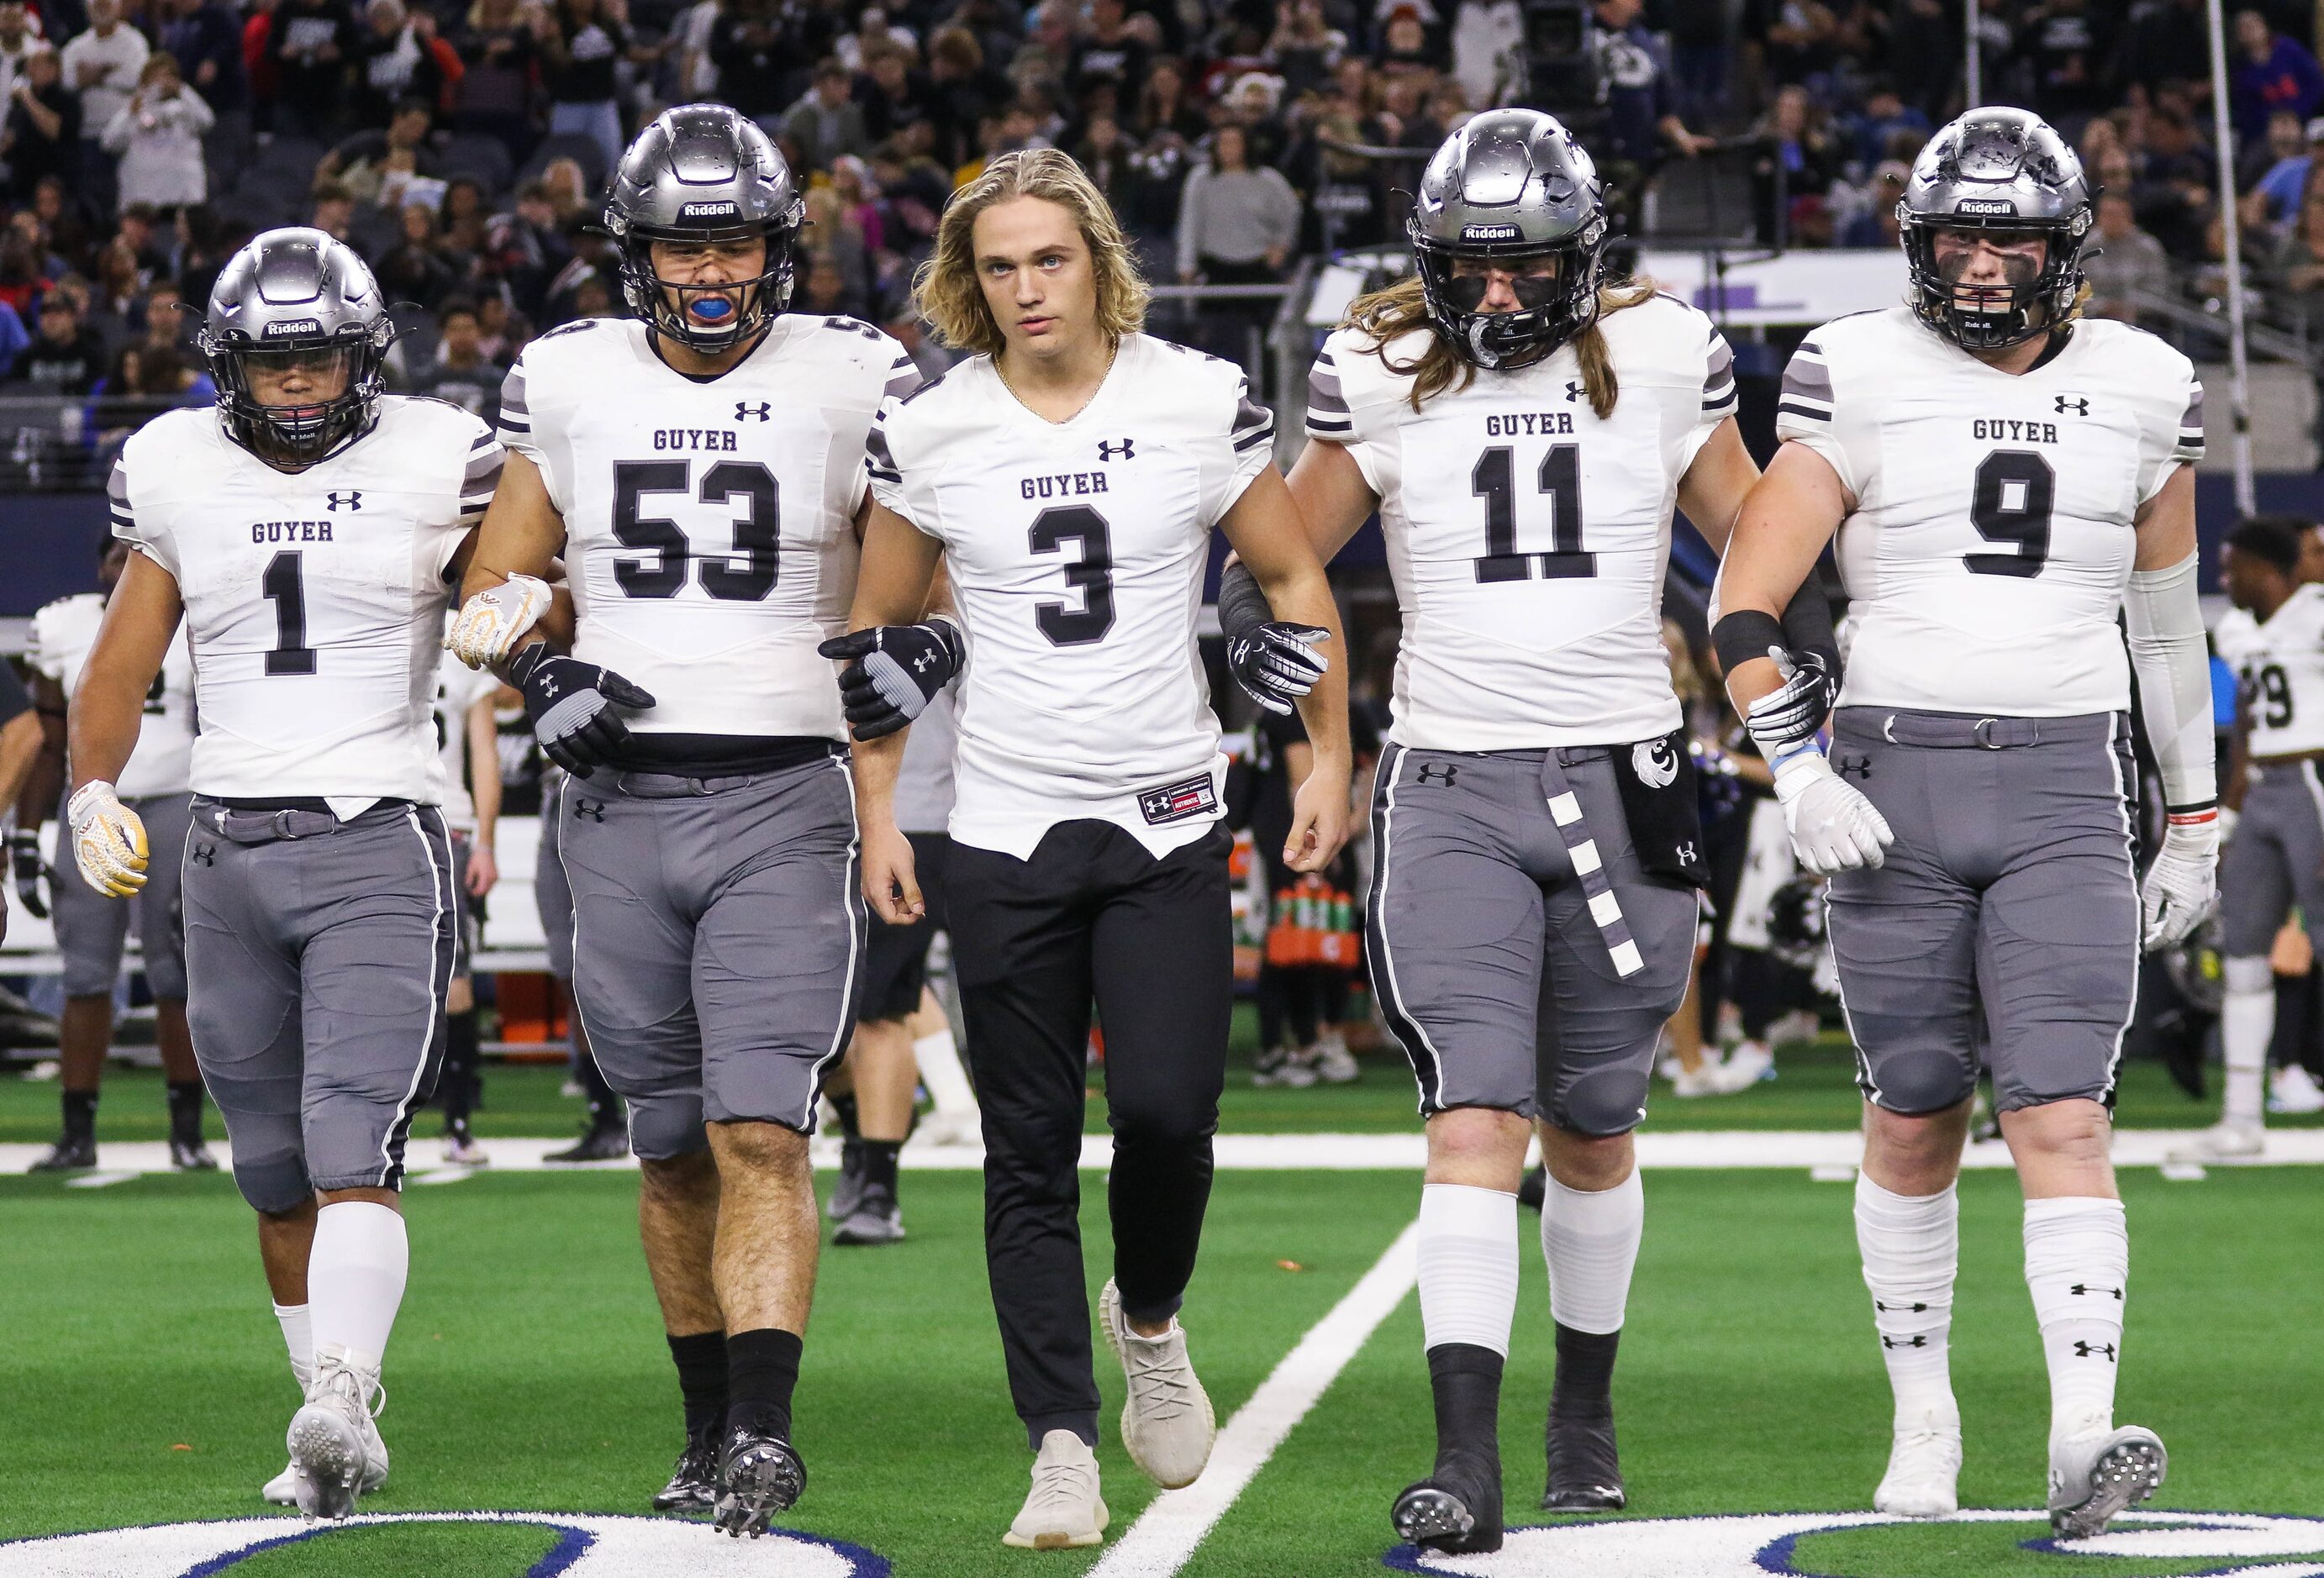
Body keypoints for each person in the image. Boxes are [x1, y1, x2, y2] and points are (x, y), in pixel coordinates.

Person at [1244, 108, 1773, 1554]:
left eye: (1520, 269)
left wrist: (1806, 682)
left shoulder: (1664, 354)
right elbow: (1289, 558)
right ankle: (1462, 1453)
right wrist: (1315, 733)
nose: (1490, 301)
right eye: (1465, 273)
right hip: (1454, 781)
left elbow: (1764, 537)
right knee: (1472, 1113)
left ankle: (1581, 1414)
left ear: (1581, 257)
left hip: (1625, 775)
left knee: (1595, 1127)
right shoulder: (1378, 365)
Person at [838, 147, 1352, 1549]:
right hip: (1000, 824)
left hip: (1168, 811)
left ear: (1099, 259)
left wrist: (1328, 749)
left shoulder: (1191, 394)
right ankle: (1060, 1439)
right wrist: (879, 811)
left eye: (1047, 259)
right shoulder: (936, 428)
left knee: (1175, 1114)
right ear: (967, 278)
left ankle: (1152, 1317)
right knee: (1024, 1148)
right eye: (998, 266)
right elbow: (877, 643)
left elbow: (1295, 572)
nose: (1025, 287)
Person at [1712, 108, 2214, 1538]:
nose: (1981, 263)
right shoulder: (1853, 367)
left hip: (2066, 781)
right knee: (1916, 1107)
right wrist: (1798, 768)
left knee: (2064, 1107)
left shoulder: (2145, 380)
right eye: (1957, 235)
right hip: (1895, 779)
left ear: (2067, 247)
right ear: (1919, 242)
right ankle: (1923, 1411)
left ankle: (2080, 1430)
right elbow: (1745, 599)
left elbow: (2169, 636)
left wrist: (2197, 818)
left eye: (2008, 236)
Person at [447, 103, 920, 1534]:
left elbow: (924, 571)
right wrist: (544, 668)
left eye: (735, 245)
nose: (709, 274)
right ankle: (705, 1424)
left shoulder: (857, 375)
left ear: (779, 248)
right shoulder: (573, 378)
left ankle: (767, 1434)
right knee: (664, 1140)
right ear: (633, 253)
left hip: (784, 784)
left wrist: (922, 662)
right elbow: (493, 584)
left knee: (762, 1127)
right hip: (616, 803)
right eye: (681, 247)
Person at [65, 227, 501, 1518]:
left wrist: (521, 604)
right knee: (267, 1162)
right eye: (272, 361)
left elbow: (518, 585)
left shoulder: (439, 451)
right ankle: (318, 1415)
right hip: (223, 842)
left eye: (319, 358)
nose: (299, 382)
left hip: (377, 831)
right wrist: (94, 783)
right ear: (226, 364)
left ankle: (348, 1392)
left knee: (348, 1135)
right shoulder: (170, 464)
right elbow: (119, 658)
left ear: (364, 357)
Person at [12, 534, 209, 1175]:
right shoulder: (64, 623)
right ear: (99, 567)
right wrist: (24, 833)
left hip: (175, 800)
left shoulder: (195, 622)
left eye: (137, 558)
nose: (124, 570)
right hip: (90, 807)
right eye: (115, 559)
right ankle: (77, 1130)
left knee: (178, 976)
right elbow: (47, 739)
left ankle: (188, 1130)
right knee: (86, 978)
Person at [820, 682, 967, 1245]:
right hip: (794, 816)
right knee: (802, 1012)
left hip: (915, 817)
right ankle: (861, 1128)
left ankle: (880, 1185)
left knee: (883, 1004)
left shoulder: (936, 598)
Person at [2203, 515, 2324, 1155]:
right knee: (2245, 953)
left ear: (2265, 569)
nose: (2226, 580)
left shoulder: (2314, 611)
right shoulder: (2239, 631)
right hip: (2266, 792)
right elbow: (2247, 724)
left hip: (2314, 779)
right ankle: (2242, 1119)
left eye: (2233, 567)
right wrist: (2230, 810)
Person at [430, 639, 502, 1165]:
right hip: (369, 817)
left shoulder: (461, 638)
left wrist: (485, 840)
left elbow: (484, 752)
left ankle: (458, 1121)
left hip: (443, 823)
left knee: (454, 981)